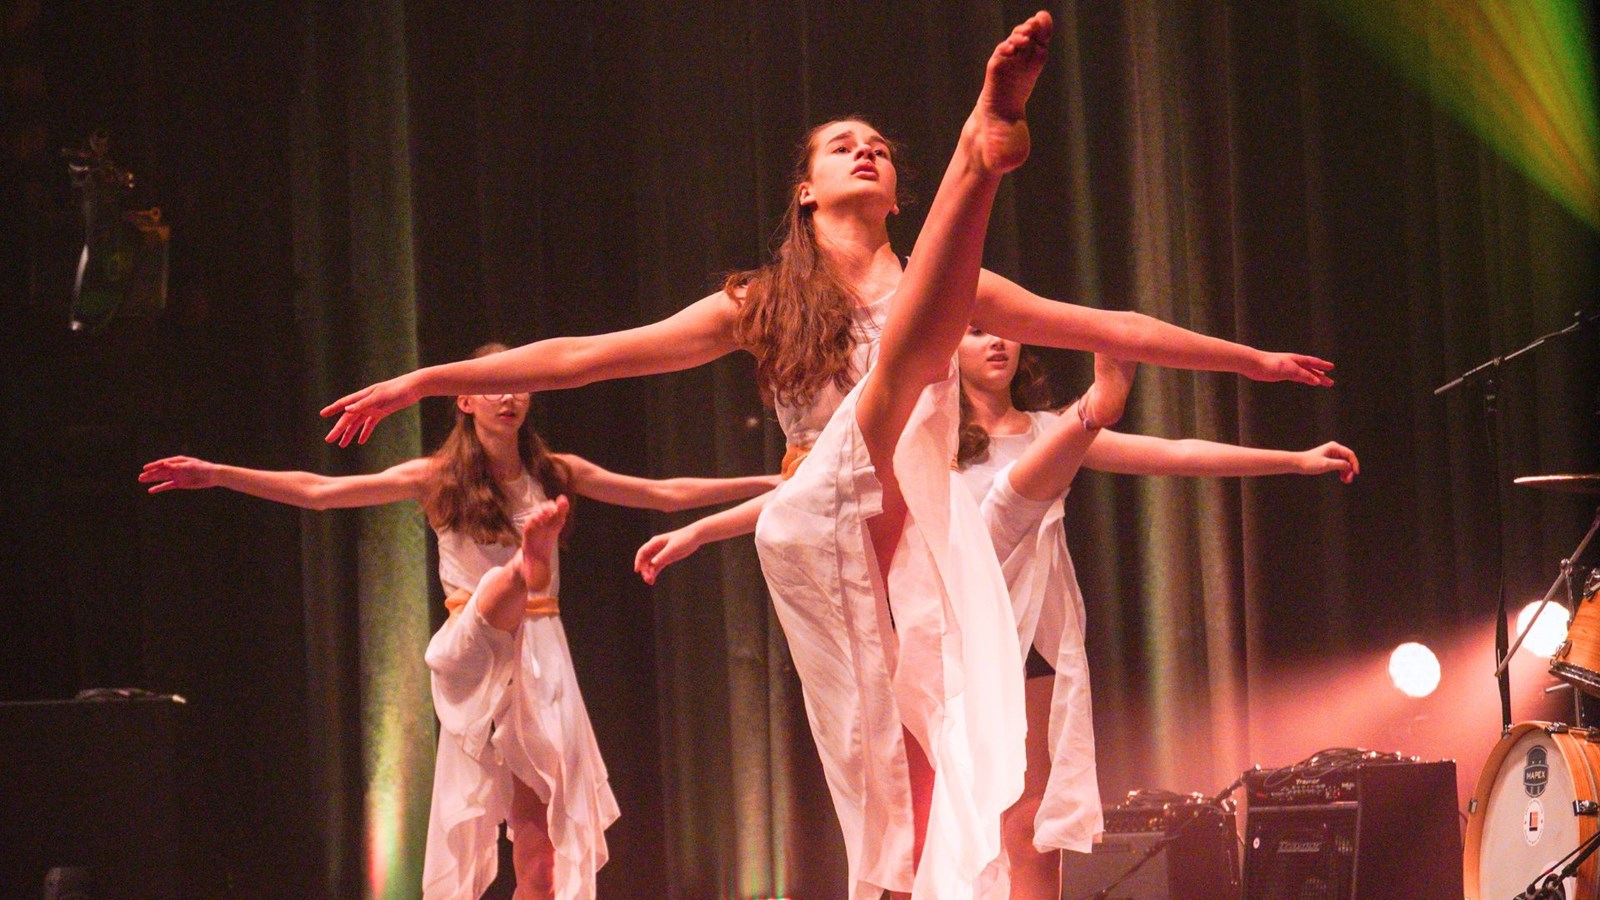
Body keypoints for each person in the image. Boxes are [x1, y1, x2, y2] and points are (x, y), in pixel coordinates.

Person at [318, 12, 1334, 896]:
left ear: (894, 196)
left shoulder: (949, 290)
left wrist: (1248, 359)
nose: (865, 153)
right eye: (842, 147)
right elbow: (588, 356)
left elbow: (1111, 324)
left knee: (918, 751)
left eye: (879, 149)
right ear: (805, 192)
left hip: (922, 534)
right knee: (900, 377)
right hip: (815, 520)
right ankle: (980, 153)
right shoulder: (761, 302)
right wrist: (423, 382)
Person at [141, 344, 778, 900]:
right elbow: (319, 492)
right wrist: (217, 474)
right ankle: (524, 567)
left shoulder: (555, 472)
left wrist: (776, 483)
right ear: (464, 402)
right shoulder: (436, 477)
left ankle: (526, 571)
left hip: (541, 657)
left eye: (518, 384)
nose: (508, 396)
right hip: (470, 649)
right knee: (500, 592)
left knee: (542, 859)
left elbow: (666, 493)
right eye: (492, 386)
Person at [953, 326, 1357, 899]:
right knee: (958, 816)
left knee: (1033, 820)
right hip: (962, 633)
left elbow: (1174, 454)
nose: (997, 342)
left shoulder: (1050, 430)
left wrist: (1294, 460)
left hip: (1034, 636)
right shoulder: (934, 437)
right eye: (976, 332)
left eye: (1007, 331)